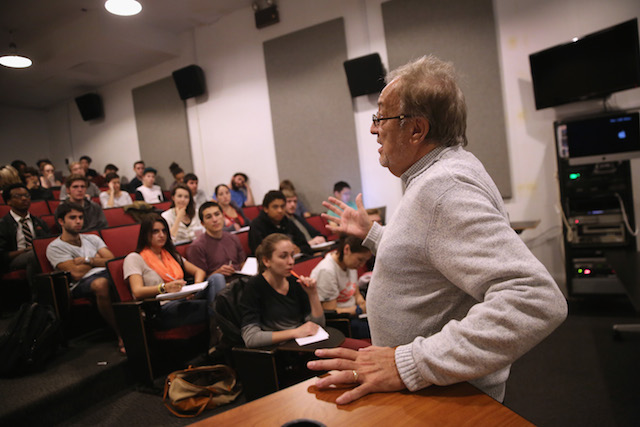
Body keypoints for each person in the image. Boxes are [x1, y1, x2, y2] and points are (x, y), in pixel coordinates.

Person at [307, 55, 567, 404]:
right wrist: (374, 234)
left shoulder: (443, 189)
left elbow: (535, 299)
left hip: (446, 398)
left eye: (381, 117)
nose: (373, 129)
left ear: (416, 130)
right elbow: (430, 253)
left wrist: (408, 363)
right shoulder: (444, 171)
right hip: (434, 390)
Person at [123, 214, 226, 336]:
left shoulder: (171, 254)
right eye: (155, 231)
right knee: (223, 305)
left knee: (217, 278)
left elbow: (199, 271)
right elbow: (137, 291)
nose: (161, 235)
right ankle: (218, 331)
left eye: (164, 231)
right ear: (145, 234)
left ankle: (217, 331)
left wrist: (196, 288)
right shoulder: (135, 258)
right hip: (163, 307)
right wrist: (164, 288)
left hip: (184, 296)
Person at [46, 202, 124, 354]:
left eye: (80, 217)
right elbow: (75, 274)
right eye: (73, 218)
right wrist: (97, 260)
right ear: (61, 221)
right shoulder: (55, 247)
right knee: (101, 284)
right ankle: (121, 334)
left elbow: (111, 260)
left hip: (106, 273)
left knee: (127, 272)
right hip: (81, 284)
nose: (78, 221)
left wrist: (88, 260)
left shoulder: (92, 238)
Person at [239, 233, 324, 348]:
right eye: (283, 256)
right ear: (266, 261)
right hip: (277, 350)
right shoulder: (254, 286)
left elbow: (317, 326)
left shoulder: (295, 282)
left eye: (292, 255)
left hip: (303, 345)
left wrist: (313, 294)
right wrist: (295, 332)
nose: (291, 261)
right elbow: (251, 338)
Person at [310, 235, 371, 339]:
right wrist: (359, 309)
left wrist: (363, 303)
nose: (362, 265)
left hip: (355, 314)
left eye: (365, 261)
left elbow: (355, 293)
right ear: (346, 249)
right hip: (342, 322)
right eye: (360, 260)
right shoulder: (327, 271)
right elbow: (331, 311)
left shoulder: (350, 264)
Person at [0, 183, 50, 291]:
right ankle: (38, 294)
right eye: (18, 196)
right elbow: (2, 255)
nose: (24, 199)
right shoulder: (3, 225)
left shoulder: (38, 221)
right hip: (13, 261)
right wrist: (26, 251)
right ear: (8, 201)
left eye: (26, 195)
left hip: (36, 255)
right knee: (33, 255)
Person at [187, 201, 247, 280]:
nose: (215, 220)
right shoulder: (197, 246)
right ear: (202, 223)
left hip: (239, 279)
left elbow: (242, 263)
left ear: (223, 216)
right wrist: (217, 273)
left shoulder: (233, 238)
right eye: (209, 217)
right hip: (217, 284)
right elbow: (200, 280)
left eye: (217, 214)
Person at [248, 190, 312, 256]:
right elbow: (259, 253)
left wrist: (299, 249)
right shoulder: (257, 225)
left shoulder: (287, 222)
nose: (280, 210)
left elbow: (306, 246)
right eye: (275, 207)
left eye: (282, 206)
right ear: (266, 209)